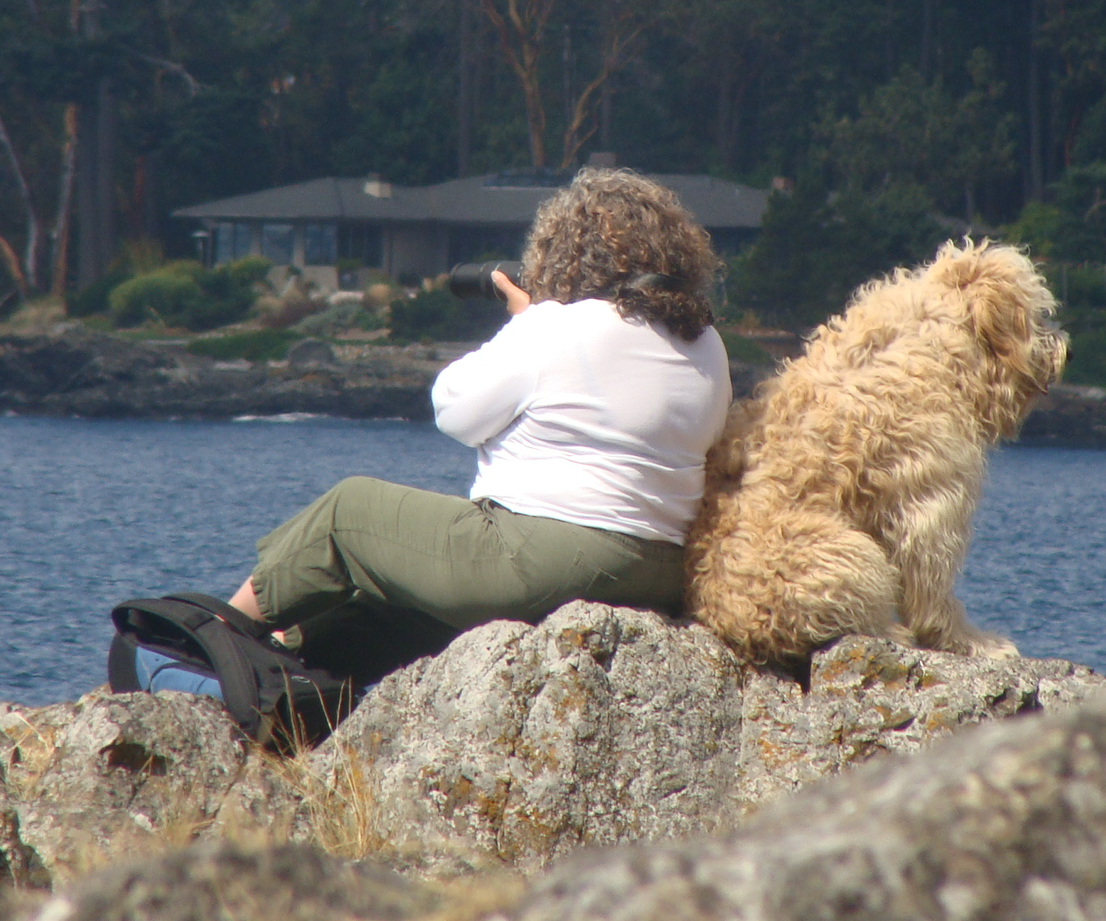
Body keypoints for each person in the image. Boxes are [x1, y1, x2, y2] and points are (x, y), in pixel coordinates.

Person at [221, 167, 732, 680]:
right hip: (659, 573)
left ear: (569, 253)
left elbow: (454, 409)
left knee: (346, 512)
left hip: (547, 561)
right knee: (388, 613)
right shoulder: (707, 344)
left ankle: (218, 633)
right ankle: (292, 673)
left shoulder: (558, 325)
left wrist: (525, 321)